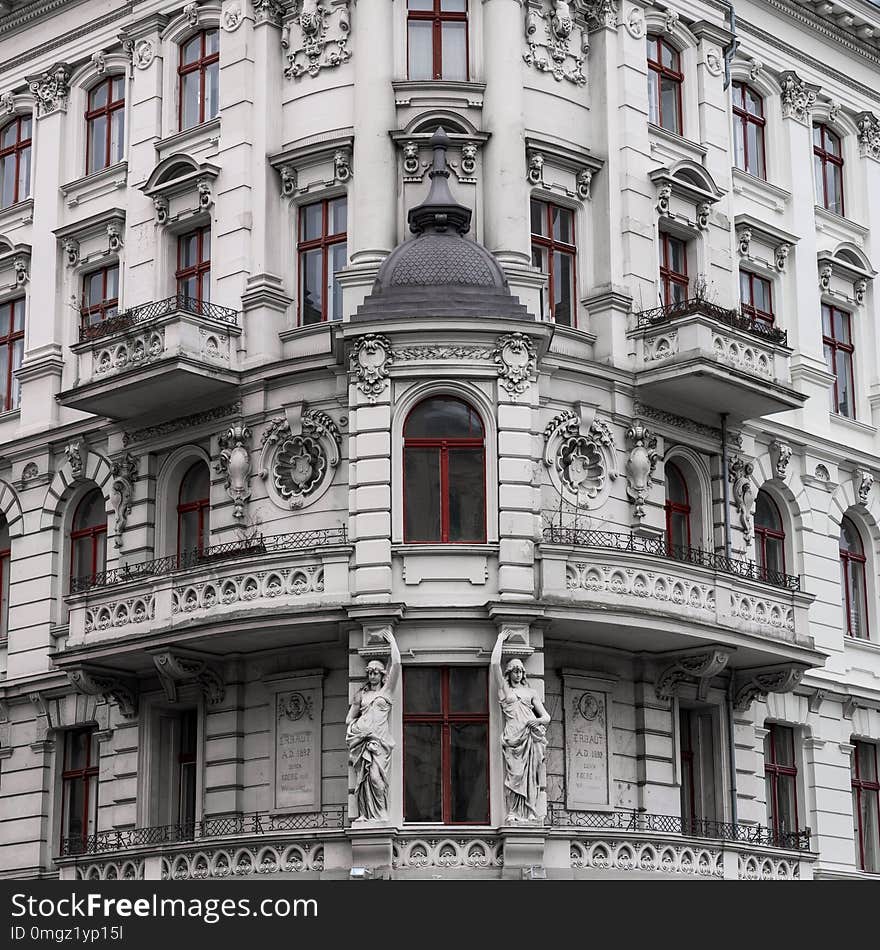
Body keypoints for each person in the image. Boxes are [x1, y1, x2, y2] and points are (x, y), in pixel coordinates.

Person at [490, 632, 550, 823]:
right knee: (515, 775)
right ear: (509, 672)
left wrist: (537, 721)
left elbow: (546, 717)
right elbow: (494, 667)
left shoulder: (531, 692)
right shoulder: (506, 692)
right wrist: (499, 640)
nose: (518, 674)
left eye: (521, 671)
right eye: (515, 670)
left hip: (530, 736)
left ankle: (530, 810)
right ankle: (515, 812)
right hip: (513, 738)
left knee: (531, 776)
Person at [345, 630, 401, 822]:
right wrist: (358, 732)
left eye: (376, 672)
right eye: (369, 672)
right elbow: (348, 719)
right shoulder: (361, 695)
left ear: (382, 674)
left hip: (379, 742)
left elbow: (397, 665)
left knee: (376, 779)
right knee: (363, 779)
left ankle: (380, 813)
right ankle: (366, 814)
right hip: (363, 740)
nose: (372, 675)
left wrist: (392, 641)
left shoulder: (386, 692)